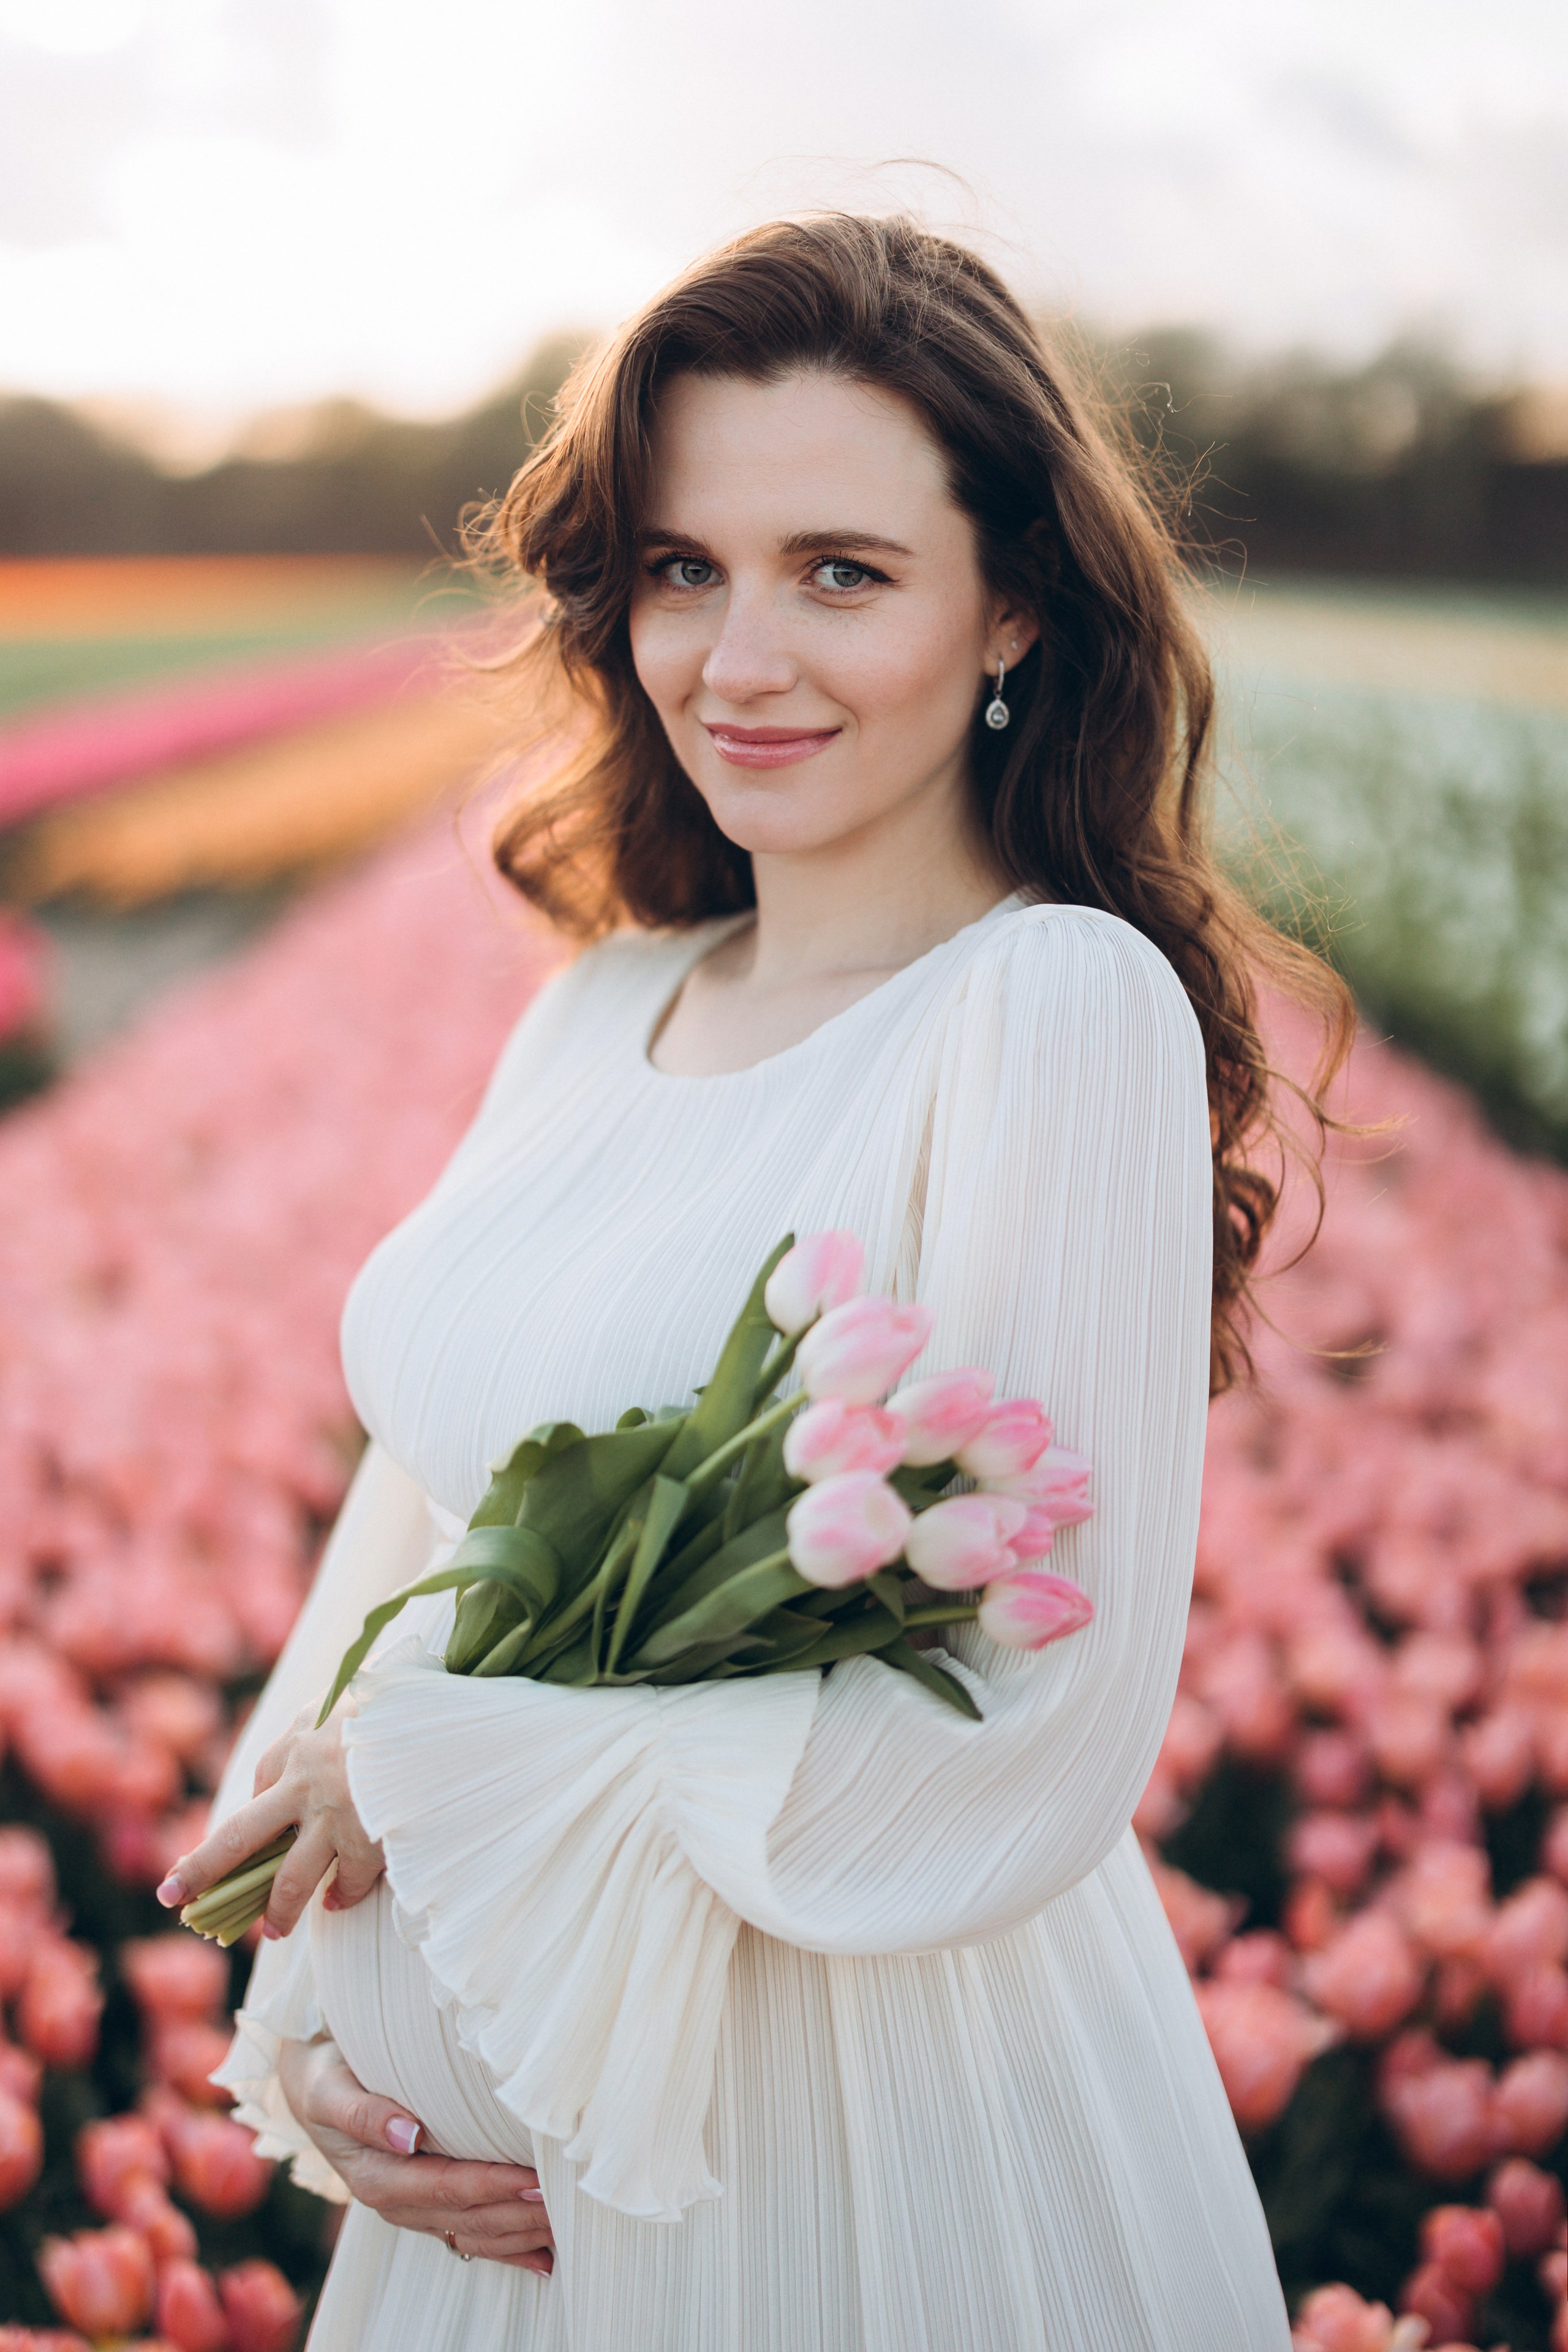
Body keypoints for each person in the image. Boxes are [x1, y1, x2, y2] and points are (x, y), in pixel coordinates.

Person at [162, 213, 1352, 2350]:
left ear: (1016, 610)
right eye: (683, 568)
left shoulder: (1049, 1013)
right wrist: (307, 2021)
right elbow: (409, 1552)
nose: (737, 655)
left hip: (857, 2164)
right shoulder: (597, 1008)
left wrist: (425, 1783)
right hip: (493, 2204)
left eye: (844, 571)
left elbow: (1031, 1719)